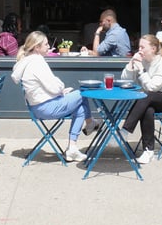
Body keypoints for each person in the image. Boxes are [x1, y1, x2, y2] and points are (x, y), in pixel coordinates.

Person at [12, 31, 100, 162]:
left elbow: (45, 87)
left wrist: (60, 91)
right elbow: (54, 86)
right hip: (46, 107)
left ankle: (73, 148)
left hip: (38, 106)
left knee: (80, 108)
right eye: (46, 44)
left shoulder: (27, 62)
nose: (49, 46)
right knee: (82, 93)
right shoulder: (37, 62)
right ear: (37, 47)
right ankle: (90, 122)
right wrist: (61, 89)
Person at [120, 35, 162, 164]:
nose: (139, 50)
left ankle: (125, 130)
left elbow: (152, 87)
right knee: (148, 109)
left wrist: (140, 70)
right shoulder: (142, 60)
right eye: (138, 47)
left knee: (147, 95)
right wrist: (131, 63)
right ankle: (148, 151)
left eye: (142, 47)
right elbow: (124, 80)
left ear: (153, 48)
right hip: (148, 101)